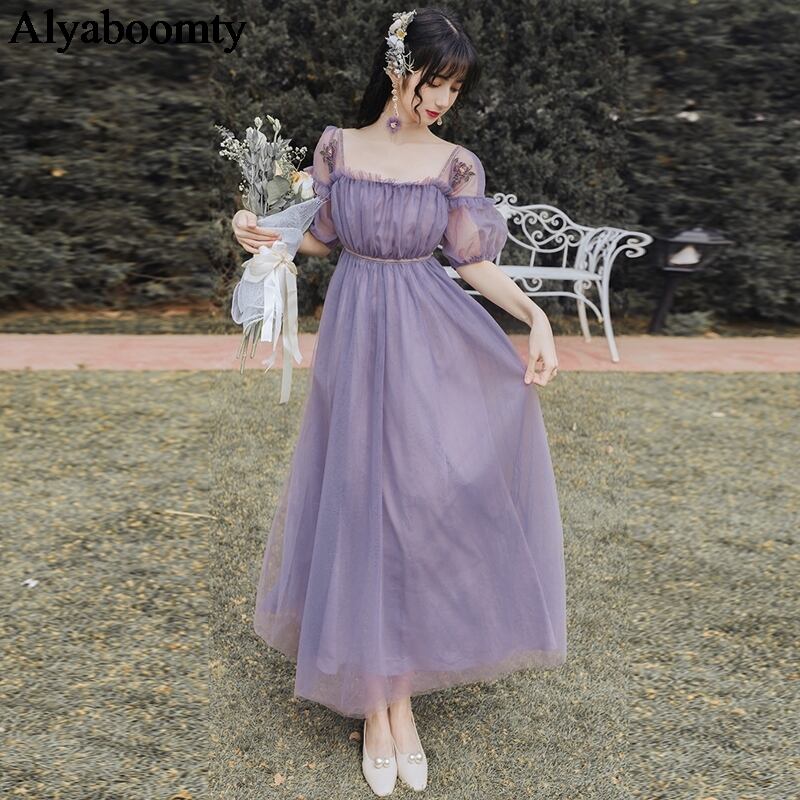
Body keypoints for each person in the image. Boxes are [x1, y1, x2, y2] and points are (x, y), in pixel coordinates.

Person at [231, 7, 566, 796]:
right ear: (395, 67)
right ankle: (380, 707)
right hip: (355, 336)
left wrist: (537, 317)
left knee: (420, 502)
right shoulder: (338, 148)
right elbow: (320, 237)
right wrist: (257, 225)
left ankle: (399, 698)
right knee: (361, 500)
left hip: (430, 338)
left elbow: (472, 262)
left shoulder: (455, 164)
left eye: (454, 88)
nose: (441, 99)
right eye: (432, 81)